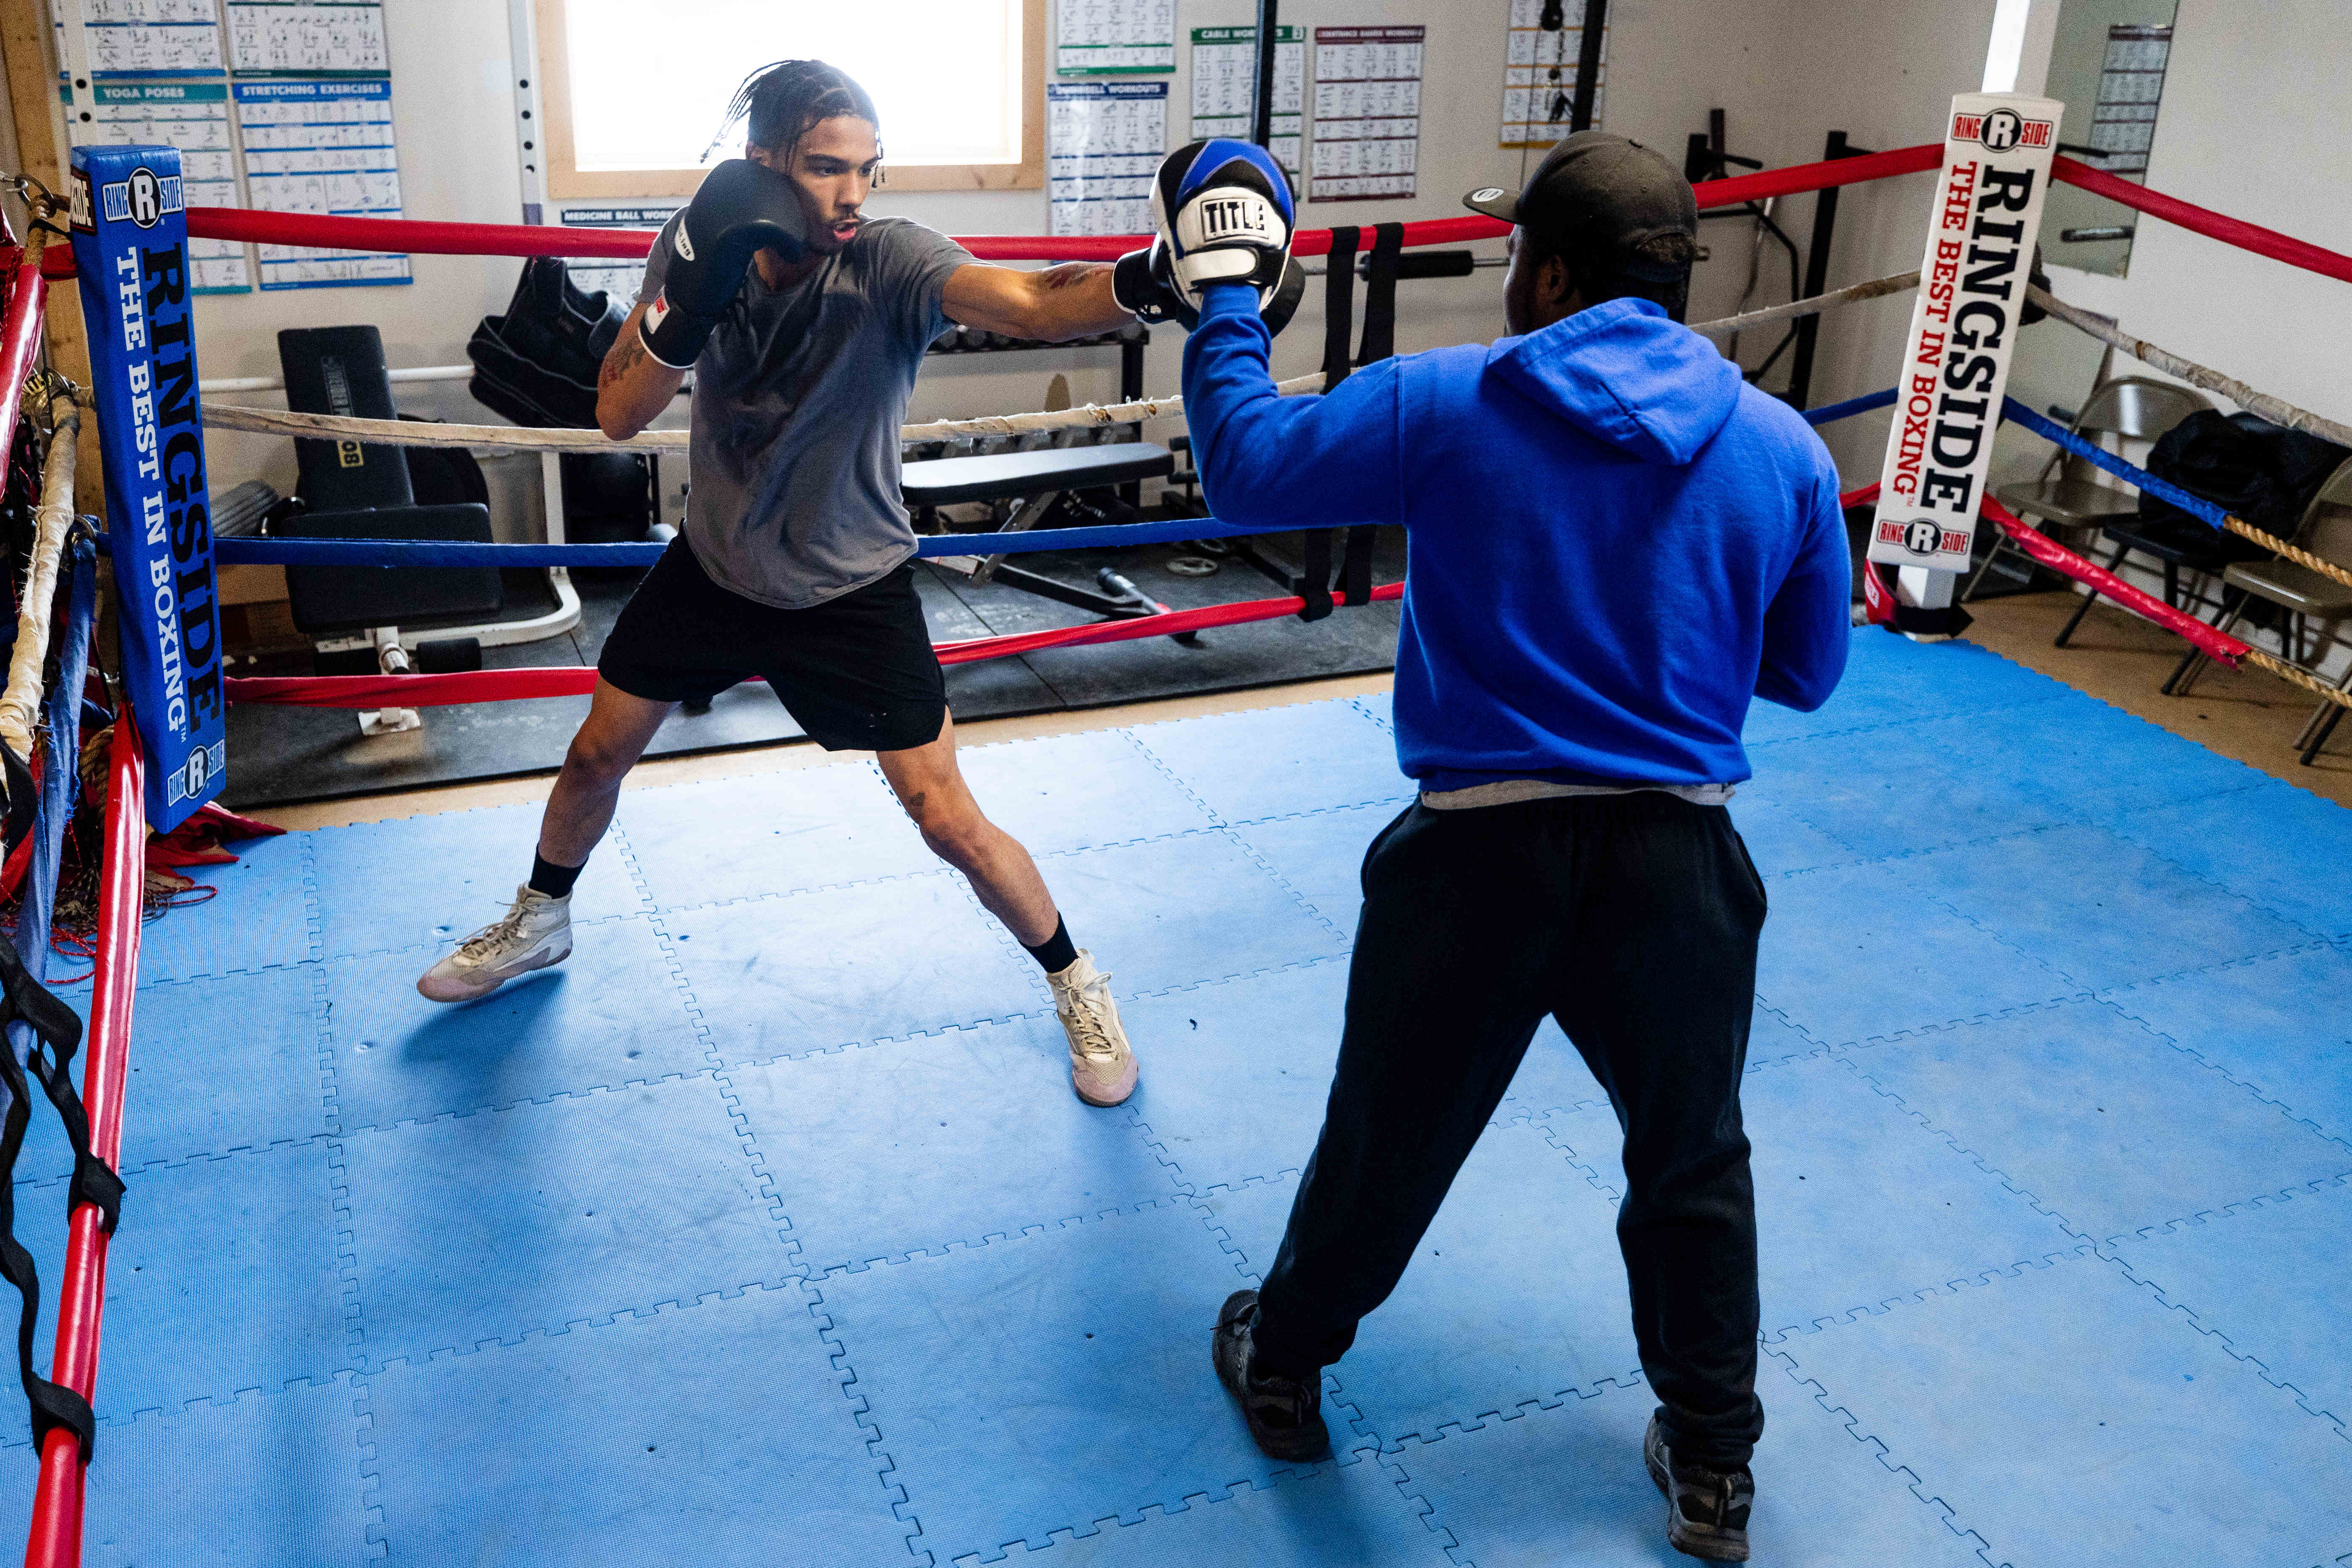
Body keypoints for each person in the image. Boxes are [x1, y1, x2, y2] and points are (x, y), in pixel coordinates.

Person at [1161, 132, 1852, 1561]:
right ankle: (1714, 1464)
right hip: (1680, 866)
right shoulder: (1780, 447)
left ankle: (1284, 1365)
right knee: (1691, 1158)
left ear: (1543, 268)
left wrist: (1224, 295)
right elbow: (1806, 672)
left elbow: (1241, 467)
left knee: (1390, 1138)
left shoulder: (1450, 401)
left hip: (1476, 858)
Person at [415, 60, 1152, 1108]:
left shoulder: (891, 261)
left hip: (848, 587)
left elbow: (1032, 302)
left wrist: (1144, 280)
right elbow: (618, 414)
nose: (852, 195)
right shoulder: (700, 239)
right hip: (714, 566)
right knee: (593, 755)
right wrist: (686, 309)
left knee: (946, 817)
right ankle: (540, 921)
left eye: (868, 170)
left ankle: (1077, 983)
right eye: (822, 168)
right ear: (762, 162)